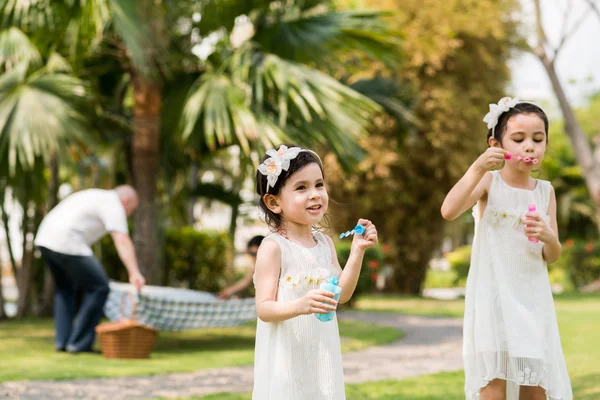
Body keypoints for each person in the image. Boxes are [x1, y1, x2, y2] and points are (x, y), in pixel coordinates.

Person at [441, 97, 572, 400]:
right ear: (495, 143)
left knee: (535, 390)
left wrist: (549, 237)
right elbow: (449, 210)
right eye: (519, 138)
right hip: (493, 301)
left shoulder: (545, 192)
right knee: (494, 389)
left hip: (532, 302)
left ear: (545, 144)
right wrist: (476, 167)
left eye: (538, 140)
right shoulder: (490, 183)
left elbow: (551, 256)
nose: (529, 146)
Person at [252, 144, 378, 399]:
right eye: (302, 187)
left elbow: (341, 295)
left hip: (322, 357)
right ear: (274, 202)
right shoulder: (274, 247)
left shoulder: (324, 243)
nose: (315, 194)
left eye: (319, 185)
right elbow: (264, 309)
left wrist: (358, 250)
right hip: (285, 359)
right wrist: (302, 304)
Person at [34, 185, 146, 354]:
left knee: (65, 290)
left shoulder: (95, 195)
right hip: (67, 241)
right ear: (125, 201)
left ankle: (63, 342)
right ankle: (80, 343)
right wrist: (134, 272)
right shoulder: (113, 203)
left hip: (45, 239)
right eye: (131, 209)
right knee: (100, 287)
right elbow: (121, 238)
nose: (129, 214)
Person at [217, 235, 265, 299]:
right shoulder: (258, 266)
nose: (253, 257)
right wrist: (227, 292)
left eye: (255, 254)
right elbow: (246, 281)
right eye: (251, 254)